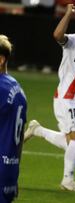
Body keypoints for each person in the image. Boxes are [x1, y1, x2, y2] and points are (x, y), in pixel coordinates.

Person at [23, 4, 75, 192]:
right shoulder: (71, 41)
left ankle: (38, 131)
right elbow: (57, 35)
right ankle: (67, 180)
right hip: (66, 97)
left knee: (73, 142)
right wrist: (68, 13)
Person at [0, 35, 27, 203]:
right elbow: (20, 136)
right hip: (9, 170)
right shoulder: (18, 89)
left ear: (1, 59)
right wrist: (14, 175)